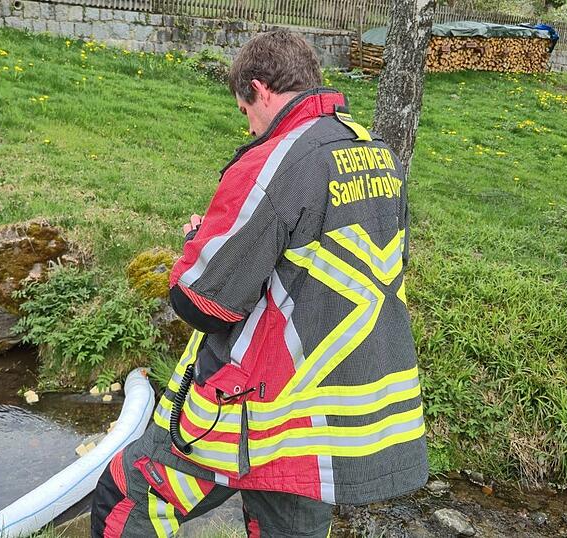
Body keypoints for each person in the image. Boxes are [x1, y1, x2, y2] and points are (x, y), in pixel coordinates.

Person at [91, 29, 427, 537]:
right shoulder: (380, 155)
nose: (248, 126)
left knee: (127, 497)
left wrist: (198, 244)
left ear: (260, 89)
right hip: (326, 427)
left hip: (254, 406)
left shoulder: (275, 162)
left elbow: (204, 302)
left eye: (245, 109)